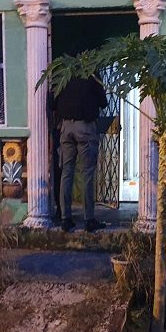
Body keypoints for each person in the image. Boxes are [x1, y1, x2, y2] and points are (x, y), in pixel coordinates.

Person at [53, 75, 108, 232]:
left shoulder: (63, 76)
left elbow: (52, 103)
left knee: (66, 172)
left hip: (66, 127)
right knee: (87, 174)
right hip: (85, 127)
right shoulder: (90, 77)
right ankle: (89, 219)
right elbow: (103, 102)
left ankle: (66, 218)